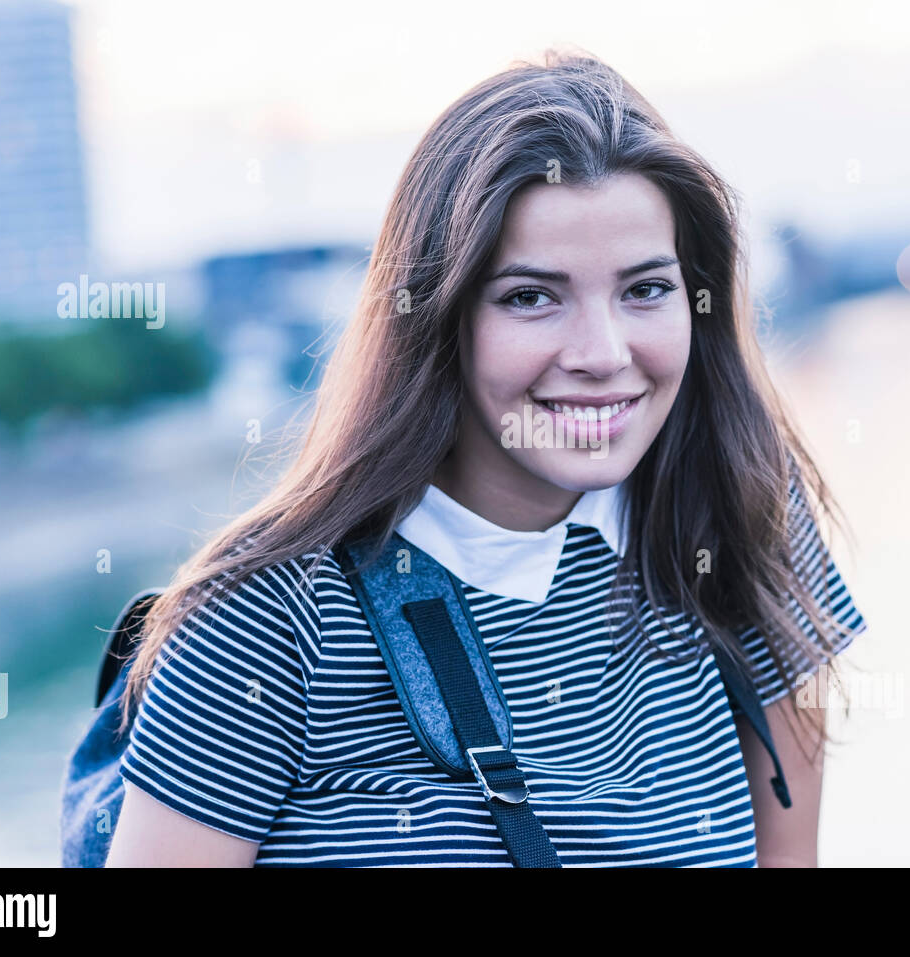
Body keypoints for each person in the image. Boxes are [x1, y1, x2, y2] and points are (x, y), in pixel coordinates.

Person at [105, 48, 867, 868]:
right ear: (439, 321)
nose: (603, 353)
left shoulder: (743, 508)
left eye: (645, 289)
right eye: (531, 297)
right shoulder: (265, 623)